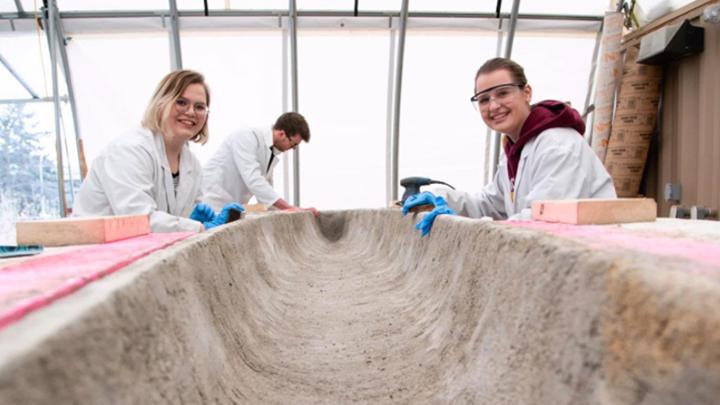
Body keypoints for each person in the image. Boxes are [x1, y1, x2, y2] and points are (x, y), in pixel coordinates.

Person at [404, 57, 616, 234]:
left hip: (591, 262)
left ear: (527, 92)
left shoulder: (557, 145)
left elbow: (542, 219)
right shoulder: (516, 148)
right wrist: (442, 199)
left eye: (503, 93)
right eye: (484, 99)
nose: (494, 106)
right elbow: (491, 204)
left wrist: (470, 229)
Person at [73, 70, 242, 232]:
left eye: (200, 107)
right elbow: (138, 218)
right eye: (181, 102)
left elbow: (174, 221)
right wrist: (199, 227)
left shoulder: (191, 164)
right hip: (96, 252)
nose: (191, 112)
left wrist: (195, 219)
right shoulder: (129, 150)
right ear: (161, 104)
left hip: (144, 252)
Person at [201, 112, 319, 215]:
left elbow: (265, 195)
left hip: (228, 208)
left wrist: (296, 210)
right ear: (282, 134)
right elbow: (253, 179)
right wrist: (290, 208)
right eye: (293, 145)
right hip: (210, 202)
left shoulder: (271, 153)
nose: (292, 149)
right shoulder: (247, 136)